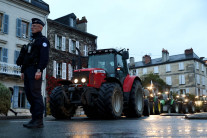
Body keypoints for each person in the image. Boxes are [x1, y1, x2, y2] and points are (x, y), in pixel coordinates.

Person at [17, 18, 50, 128]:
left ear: (40, 28)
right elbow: (26, 57)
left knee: (35, 94)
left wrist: (39, 70)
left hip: (35, 70)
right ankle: (34, 119)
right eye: (32, 26)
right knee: (29, 95)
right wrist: (22, 71)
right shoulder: (32, 42)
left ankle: (39, 121)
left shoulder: (43, 41)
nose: (32, 27)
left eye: (34, 26)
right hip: (27, 71)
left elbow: (44, 58)